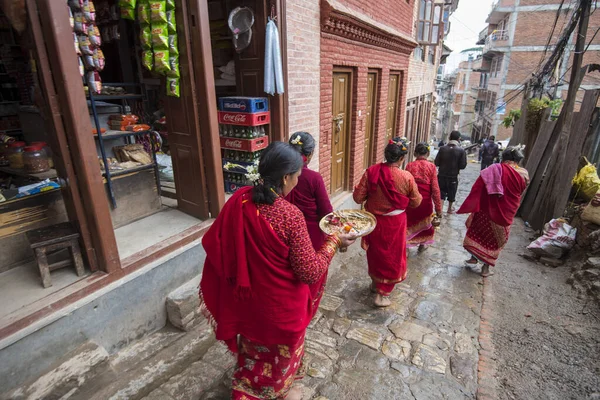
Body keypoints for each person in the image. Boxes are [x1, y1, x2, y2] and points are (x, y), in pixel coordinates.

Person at [199, 142, 356, 400]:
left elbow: (216, 244)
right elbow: (309, 271)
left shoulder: (240, 200)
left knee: (254, 353)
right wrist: (334, 241)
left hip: (249, 303)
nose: (298, 180)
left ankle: (249, 387)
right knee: (279, 360)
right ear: (286, 177)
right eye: (296, 176)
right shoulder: (289, 215)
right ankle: (274, 391)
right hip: (280, 309)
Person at [353, 137, 422, 307]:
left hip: (374, 222)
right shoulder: (406, 177)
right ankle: (382, 295)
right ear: (401, 158)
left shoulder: (371, 172)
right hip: (395, 224)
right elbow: (416, 202)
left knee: (376, 254)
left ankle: (375, 284)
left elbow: (357, 197)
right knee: (391, 256)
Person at [458, 146, 529, 277]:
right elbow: (519, 191)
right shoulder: (523, 174)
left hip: (486, 209)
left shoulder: (493, 170)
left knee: (479, 233)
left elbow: (479, 186)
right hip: (506, 212)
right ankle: (485, 269)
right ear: (517, 160)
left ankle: (473, 257)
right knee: (495, 240)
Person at [286, 131, 334, 311]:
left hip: (283, 232)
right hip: (311, 236)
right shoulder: (314, 178)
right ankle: (305, 308)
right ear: (311, 154)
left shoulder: (281, 175)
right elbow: (327, 213)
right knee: (310, 270)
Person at [406, 142, 443, 252]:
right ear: (427, 153)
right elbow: (435, 189)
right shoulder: (431, 167)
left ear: (415, 153)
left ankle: (407, 246)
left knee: (409, 222)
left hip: (412, 200)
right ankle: (422, 245)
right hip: (425, 201)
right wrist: (438, 208)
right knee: (425, 222)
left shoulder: (409, 166)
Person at [434, 130, 467, 214]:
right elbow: (463, 166)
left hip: (441, 175)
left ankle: (440, 209)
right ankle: (449, 208)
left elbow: (436, 162)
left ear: (449, 138)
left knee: (441, 191)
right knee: (452, 192)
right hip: (453, 176)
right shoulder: (461, 151)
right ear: (459, 139)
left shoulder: (442, 149)